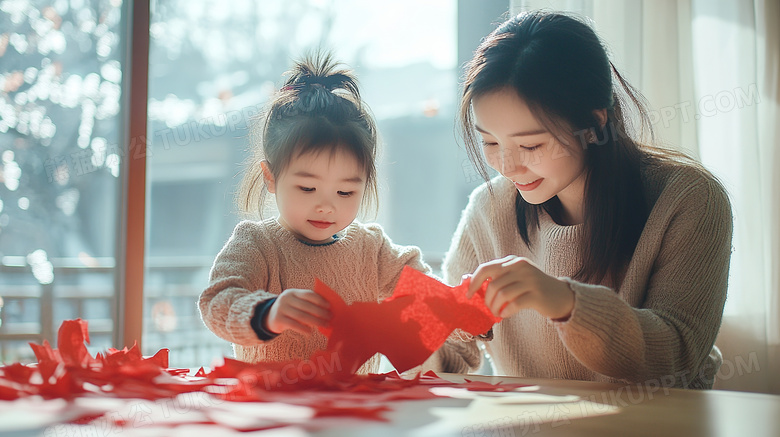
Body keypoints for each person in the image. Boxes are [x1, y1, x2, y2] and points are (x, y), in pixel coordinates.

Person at [430, 11, 733, 389]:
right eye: (490, 142)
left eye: (530, 145)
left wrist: (565, 303)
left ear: (594, 123)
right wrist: (399, 333)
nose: (507, 166)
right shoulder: (489, 209)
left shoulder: (689, 200)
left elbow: (676, 353)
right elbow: (454, 352)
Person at [199, 53, 430, 372]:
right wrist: (268, 313)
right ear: (271, 177)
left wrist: (476, 305)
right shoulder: (257, 244)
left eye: (346, 192)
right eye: (307, 189)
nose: (327, 206)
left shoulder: (373, 249)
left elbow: (431, 303)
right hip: (275, 409)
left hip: (355, 409)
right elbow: (216, 303)